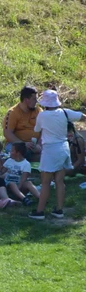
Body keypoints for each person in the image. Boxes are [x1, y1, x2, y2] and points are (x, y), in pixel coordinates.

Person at [29, 89, 84, 220]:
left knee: (46, 181)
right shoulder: (65, 112)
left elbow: (36, 129)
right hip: (64, 148)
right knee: (59, 180)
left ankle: (40, 211)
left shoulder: (42, 115)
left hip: (50, 150)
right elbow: (82, 116)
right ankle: (59, 210)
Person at [3, 86, 41, 161]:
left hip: (35, 144)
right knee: (22, 153)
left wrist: (39, 144)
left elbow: (44, 130)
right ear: (26, 100)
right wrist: (23, 144)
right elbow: (7, 133)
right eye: (34, 99)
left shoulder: (38, 111)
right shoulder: (13, 112)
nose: (36, 101)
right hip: (16, 144)